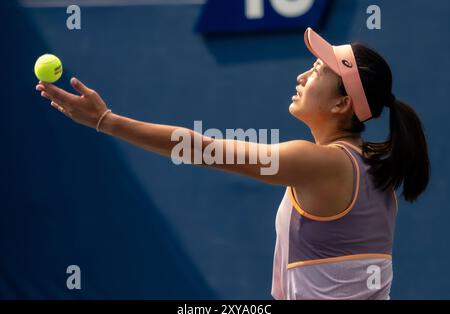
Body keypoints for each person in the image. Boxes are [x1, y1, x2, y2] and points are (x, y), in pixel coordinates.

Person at [35, 27, 430, 299]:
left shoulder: (320, 163)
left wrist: (107, 121)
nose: (301, 75)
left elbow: (199, 147)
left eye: (317, 71)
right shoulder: (372, 169)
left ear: (342, 103)